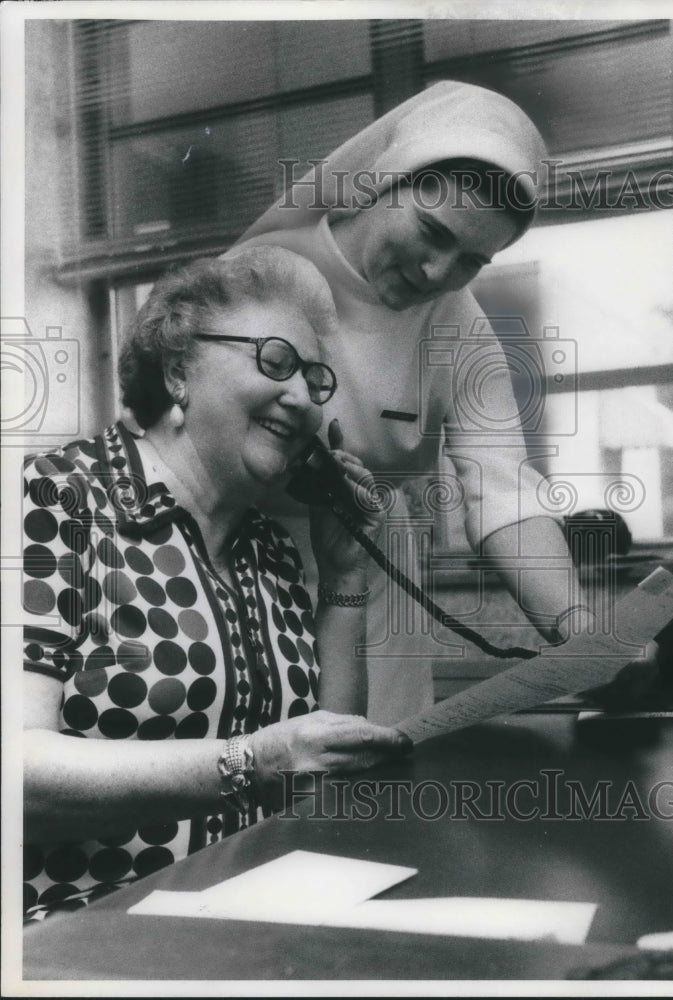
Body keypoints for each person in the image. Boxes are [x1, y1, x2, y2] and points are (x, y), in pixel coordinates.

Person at [22, 247, 410, 921]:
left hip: (248, 921)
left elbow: (313, 780)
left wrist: (344, 576)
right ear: (178, 371)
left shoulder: (268, 550)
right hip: (80, 931)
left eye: (314, 380)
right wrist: (246, 762)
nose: (303, 398)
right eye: (276, 363)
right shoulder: (49, 501)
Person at [227, 80, 628, 725]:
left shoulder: (459, 326)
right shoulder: (254, 280)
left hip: (379, 608)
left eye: (473, 259)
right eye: (431, 232)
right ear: (386, 181)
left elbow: (502, 492)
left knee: (369, 796)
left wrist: (582, 633)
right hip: (238, 594)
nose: (438, 273)